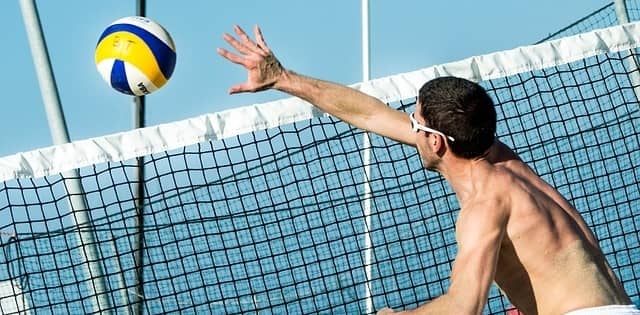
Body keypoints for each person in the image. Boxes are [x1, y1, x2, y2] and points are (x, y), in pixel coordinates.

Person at [217, 25, 638, 315]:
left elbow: (464, 305)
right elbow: (372, 115)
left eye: (414, 121)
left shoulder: (485, 206)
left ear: (435, 142)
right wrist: (284, 78)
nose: (407, 124)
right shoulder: (496, 156)